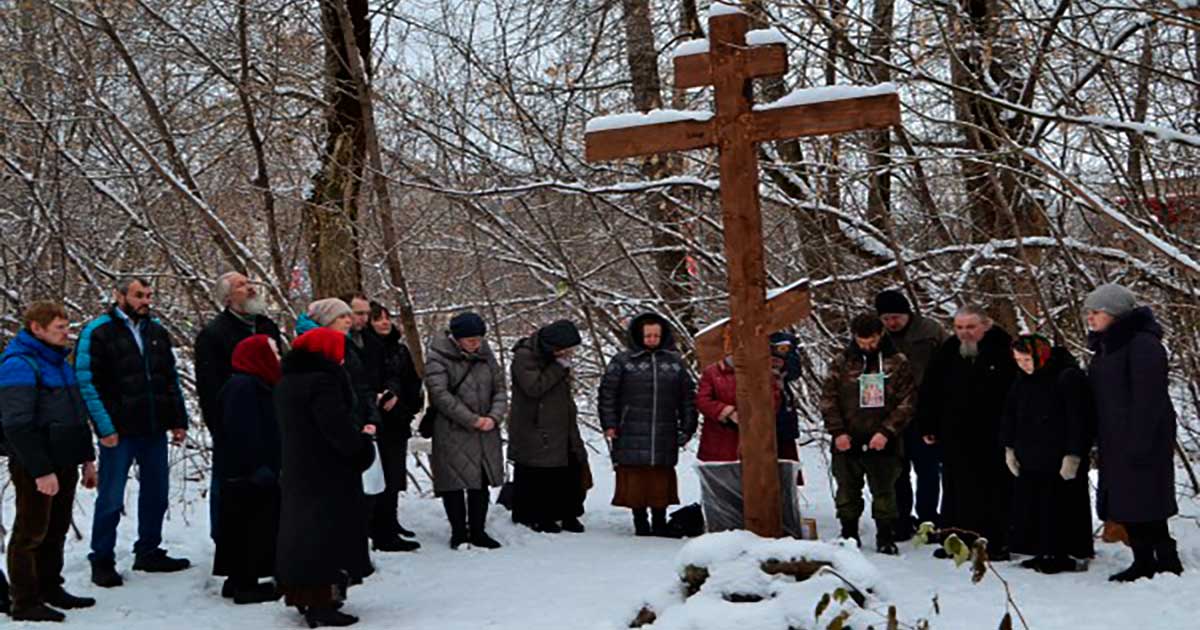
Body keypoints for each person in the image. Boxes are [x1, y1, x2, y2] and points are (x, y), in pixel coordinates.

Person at [76, 277, 191, 587]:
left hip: (153, 428)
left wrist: (178, 419)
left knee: (157, 493)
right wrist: (104, 426)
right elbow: (86, 382)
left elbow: (170, 379)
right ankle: (101, 557)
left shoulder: (156, 331)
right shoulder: (97, 331)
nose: (145, 300)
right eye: (139, 295)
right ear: (120, 295)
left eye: (149, 295)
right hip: (118, 431)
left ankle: (149, 550)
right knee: (111, 497)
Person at [0, 302, 98, 621]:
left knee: (55, 529)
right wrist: (41, 470)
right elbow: (16, 424)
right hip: (36, 464)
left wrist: (87, 459)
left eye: (67, 327)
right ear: (36, 328)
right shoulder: (19, 364)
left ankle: (49, 586)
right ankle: (25, 600)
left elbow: (76, 414)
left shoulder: (60, 362)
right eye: (59, 328)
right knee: (31, 532)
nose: (66, 334)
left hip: (65, 459)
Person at [275, 327, 376, 628]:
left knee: (301, 535)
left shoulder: (287, 382)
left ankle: (304, 595)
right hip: (327, 471)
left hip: (299, 469)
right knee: (326, 537)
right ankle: (323, 600)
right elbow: (336, 428)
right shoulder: (323, 383)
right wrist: (361, 449)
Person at [1083, 283, 1183, 581]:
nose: (1090, 318)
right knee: (1131, 500)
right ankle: (1149, 558)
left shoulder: (1142, 344)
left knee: (1146, 498)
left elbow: (1149, 397)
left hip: (1142, 436)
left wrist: (1139, 440)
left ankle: (1160, 559)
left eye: (1096, 312)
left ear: (1115, 313)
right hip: (1116, 436)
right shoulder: (1108, 344)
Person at [917, 304, 1017, 560]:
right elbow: (931, 388)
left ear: (986, 325)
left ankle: (995, 542)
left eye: (971, 327)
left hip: (992, 434)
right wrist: (928, 424)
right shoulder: (949, 350)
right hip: (954, 433)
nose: (965, 333)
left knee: (992, 489)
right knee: (955, 488)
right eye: (959, 327)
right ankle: (956, 540)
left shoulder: (1004, 350)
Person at [194, 271, 282, 542]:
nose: (250, 288)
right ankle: (225, 541)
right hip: (233, 422)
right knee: (229, 485)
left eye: (249, 282)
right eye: (241, 285)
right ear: (227, 297)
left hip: (269, 418)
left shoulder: (267, 326)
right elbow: (209, 388)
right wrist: (221, 428)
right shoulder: (213, 334)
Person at [820, 314, 916, 555]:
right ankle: (849, 532)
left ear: (880, 335)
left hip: (883, 440)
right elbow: (828, 398)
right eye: (862, 343)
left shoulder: (897, 361)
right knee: (847, 491)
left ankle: (885, 534)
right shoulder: (842, 361)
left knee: (884, 491)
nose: (867, 347)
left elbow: (908, 401)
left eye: (871, 342)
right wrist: (838, 432)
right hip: (848, 438)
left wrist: (887, 431)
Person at [1001, 334, 1095, 574]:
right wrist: (1009, 447)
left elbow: (1079, 419)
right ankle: (1042, 550)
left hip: (1060, 454)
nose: (1022, 365)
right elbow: (1011, 413)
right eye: (1018, 360)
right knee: (1036, 505)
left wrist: (1074, 454)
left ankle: (1067, 553)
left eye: (1026, 359)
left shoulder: (1067, 376)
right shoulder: (1022, 379)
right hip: (1030, 454)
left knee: (1063, 505)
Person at [599, 313, 697, 536]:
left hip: (665, 428)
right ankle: (640, 522)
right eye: (648, 335)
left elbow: (687, 397)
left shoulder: (674, 362)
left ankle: (660, 522)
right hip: (629, 429)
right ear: (638, 335)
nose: (652, 339)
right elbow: (607, 394)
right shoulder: (623, 361)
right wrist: (610, 424)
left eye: (656, 335)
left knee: (660, 477)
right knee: (636, 478)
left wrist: (688, 427)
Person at [425, 312, 506, 550]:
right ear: (456, 338)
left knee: (480, 481)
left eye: (479, 338)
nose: (475, 343)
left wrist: (494, 416)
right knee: (454, 481)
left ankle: (479, 530)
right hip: (453, 429)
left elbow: (500, 388)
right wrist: (473, 420)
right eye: (470, 339)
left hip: (486, 428)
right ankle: (459, 532)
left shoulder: (486, 355)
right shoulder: (438, 358)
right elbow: (440, 395)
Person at [213, 335, 284, 604]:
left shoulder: (256, 383)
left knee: (251, 528)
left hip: (250, 472)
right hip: (246, 474)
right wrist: (258, 468)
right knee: (248, 529)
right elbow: (241, 432)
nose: (278, 358)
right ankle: (245, 583)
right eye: (273, 353)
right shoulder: (243, 386)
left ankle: (239, 579)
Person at [875, 289, 946, 539]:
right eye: (886, 318)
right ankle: (901, 519)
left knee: (927, 470)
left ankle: (928, 518)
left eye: (896, 317)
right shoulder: (878, 337)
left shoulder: (930, 331)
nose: (892, 323)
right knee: (897, 471)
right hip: (891, 415)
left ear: (907, 314)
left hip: (924, 412)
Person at [509, 320, 590, 534]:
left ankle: (568, 513)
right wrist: (558, 367)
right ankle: (538, 516)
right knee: (539, 473)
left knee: (570, 468)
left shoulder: (557, 358)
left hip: (562, 422)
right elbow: (534, 387)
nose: (568, 354)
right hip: (535, 425)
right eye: (565, 350)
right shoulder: (525, 356)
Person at [363, 302, 424, 551]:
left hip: (398, 418)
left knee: (395, 474)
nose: (384, 323)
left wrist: (407, 406)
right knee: (382, 475)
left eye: (387, 318)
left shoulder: (400, 349)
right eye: (378, 319)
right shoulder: (366, 349)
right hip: (378, 421)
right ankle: (380, 528)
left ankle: (391, 520)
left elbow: (412, 380)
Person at [770, 331, 803, 462]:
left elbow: (795, 371)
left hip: (782, 409)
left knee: (785, 460)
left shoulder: (784, 339)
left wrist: (783, 363)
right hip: (752, 407)